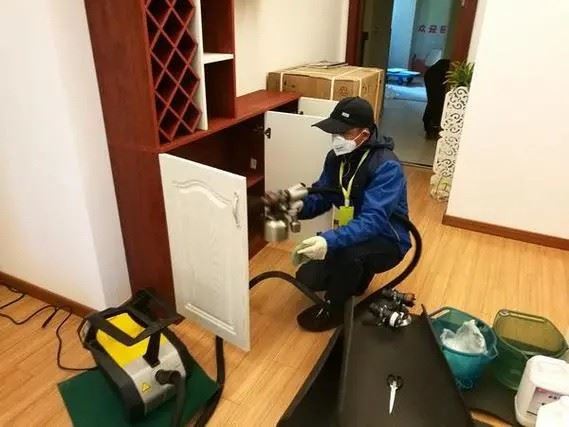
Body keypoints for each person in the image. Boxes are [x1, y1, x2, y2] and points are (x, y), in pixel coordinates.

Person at [292, 96, 411, 331]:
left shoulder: (387, 166)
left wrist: (328, 240)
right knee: (307, 278)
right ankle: (358, 277)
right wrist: (300, 208)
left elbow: (373, 221)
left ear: (364, 134)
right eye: (334, 132)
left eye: (343, 133)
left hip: (387, 239)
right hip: (355, 231)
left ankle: (334, 311)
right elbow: (324, 194)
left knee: (349, 255)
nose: (336, 138)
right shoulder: (336, 158)